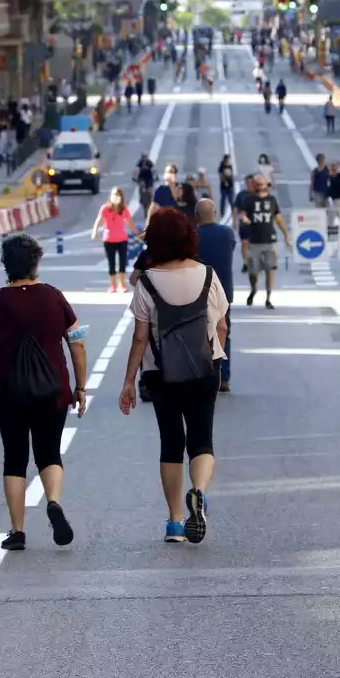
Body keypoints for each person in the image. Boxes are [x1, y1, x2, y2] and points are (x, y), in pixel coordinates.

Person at [0, 234, 88, 551]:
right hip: (52, 389)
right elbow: (77, 342)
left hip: (8, 392)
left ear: (6, 265)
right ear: (36, 263)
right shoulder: (54, 297)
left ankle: (17, 531)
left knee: (15, 458)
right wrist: (80, 385)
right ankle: (54, 502)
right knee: (49, 453)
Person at [118, 209, 228, 544]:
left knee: (171, 443)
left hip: (160, 373)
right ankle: (198, 491)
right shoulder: (208, 275)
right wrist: (215, 353)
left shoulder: (147, 282)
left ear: (154, 241)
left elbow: (140, 337)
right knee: (201, 439)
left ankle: (175, 522)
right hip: (204, 369)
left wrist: (127, 382)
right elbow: (221, 324)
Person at [195, 199, 235, 393]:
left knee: (197, 334)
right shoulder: (227, 233)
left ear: (196, 216)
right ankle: (223, 376)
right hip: (223, 292)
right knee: (223, 333)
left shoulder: (193, 236)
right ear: (215, 212)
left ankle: (200, 375)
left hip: (197, 292)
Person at [239, 174, 291, 309]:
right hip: (254, 240)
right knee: (253, 271)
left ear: (266, 185)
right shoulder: (249, 200)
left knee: (270, 269)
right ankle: (254, 288)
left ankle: (268, 297)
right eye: (257, 184)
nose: (260, 187)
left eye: (262, 184)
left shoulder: (272, 200)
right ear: (254, 186)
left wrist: (286, 234)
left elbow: (278, 218)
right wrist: (244, 218)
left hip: (270, 240)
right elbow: (243, 213)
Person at [91, 187, 139, 292]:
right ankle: (112, 285)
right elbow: (99, 220)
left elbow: (130, 223)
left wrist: (138, 233)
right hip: (109, 240)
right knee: (111, 263)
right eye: (113, 194)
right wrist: (94, 232)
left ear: (121, 197)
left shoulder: (124, 209)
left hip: (122, 239)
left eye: (117, 195)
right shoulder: (105, 208)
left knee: (122, 263)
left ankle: (122, 284)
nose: (115, 197)